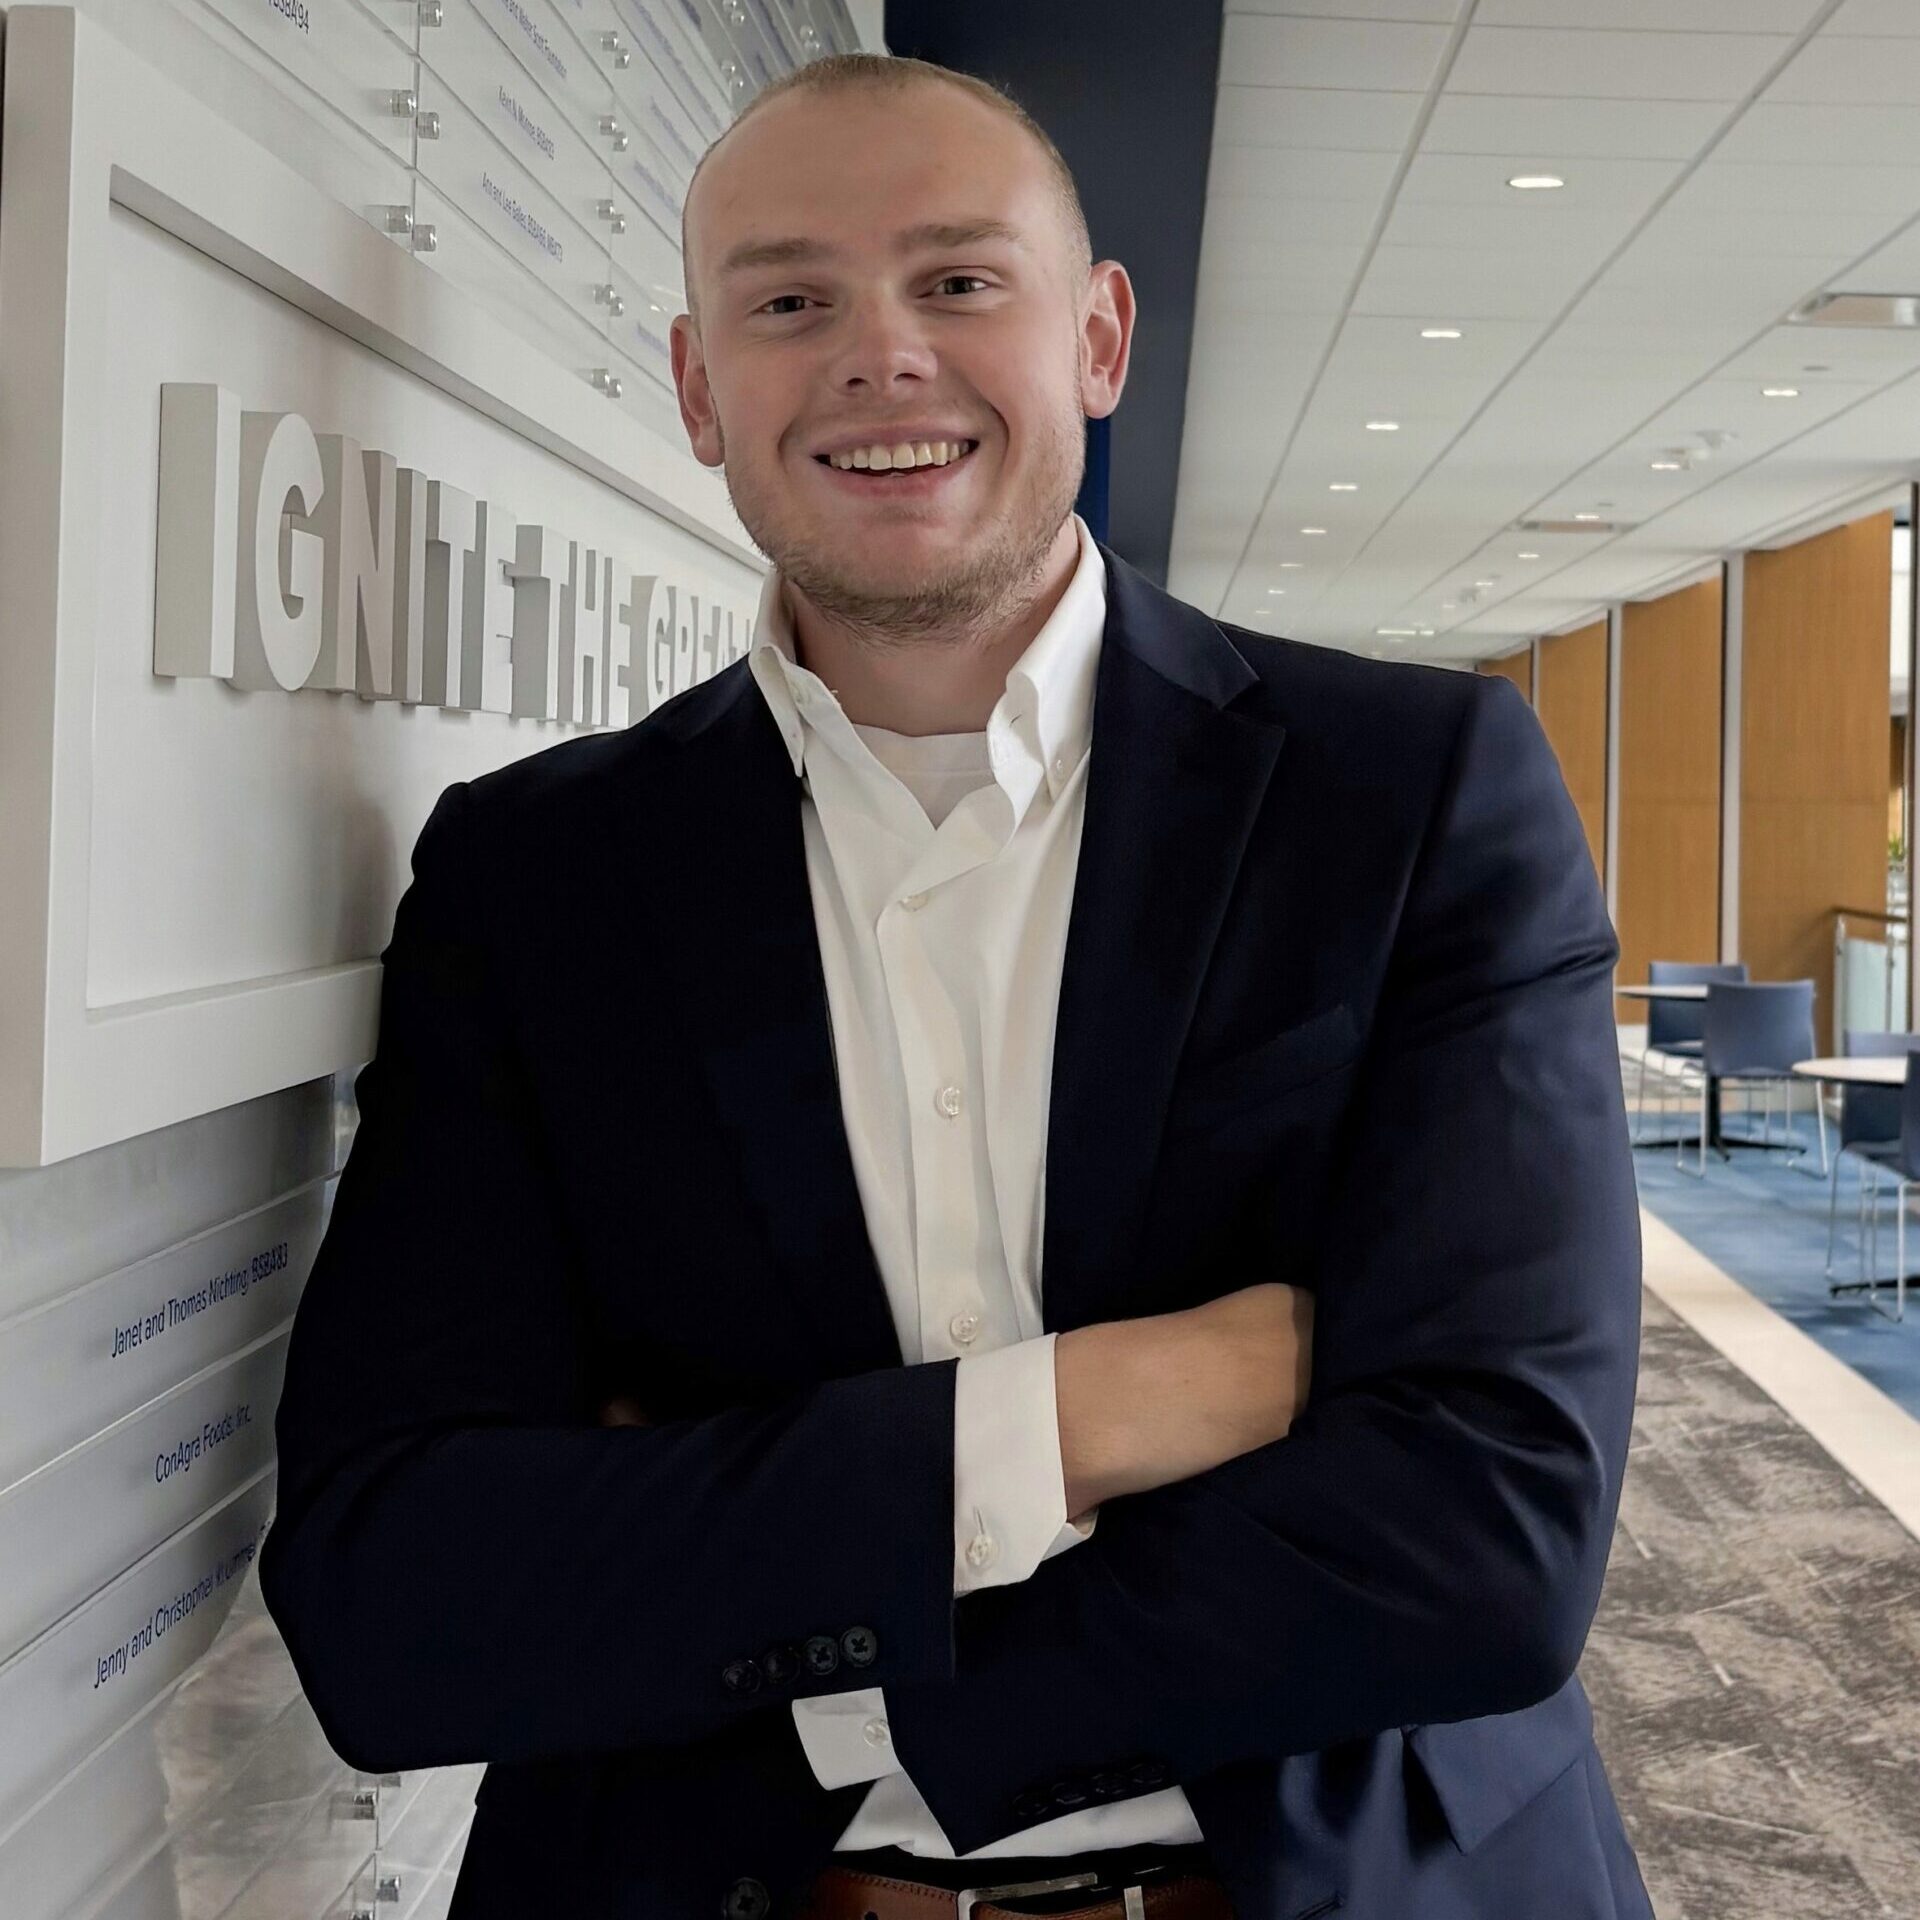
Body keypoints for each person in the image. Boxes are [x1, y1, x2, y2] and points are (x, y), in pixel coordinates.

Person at [261, 51, 1651, 1920]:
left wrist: (792, 1627)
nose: (882, 355)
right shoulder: (536, 880)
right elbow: (398, 1597)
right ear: (699, 387)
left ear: (1099, 338)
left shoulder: (1413, 796)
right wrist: (1092, 1414)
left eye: (960, 280)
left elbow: (1489, 1538)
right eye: (790, 303)